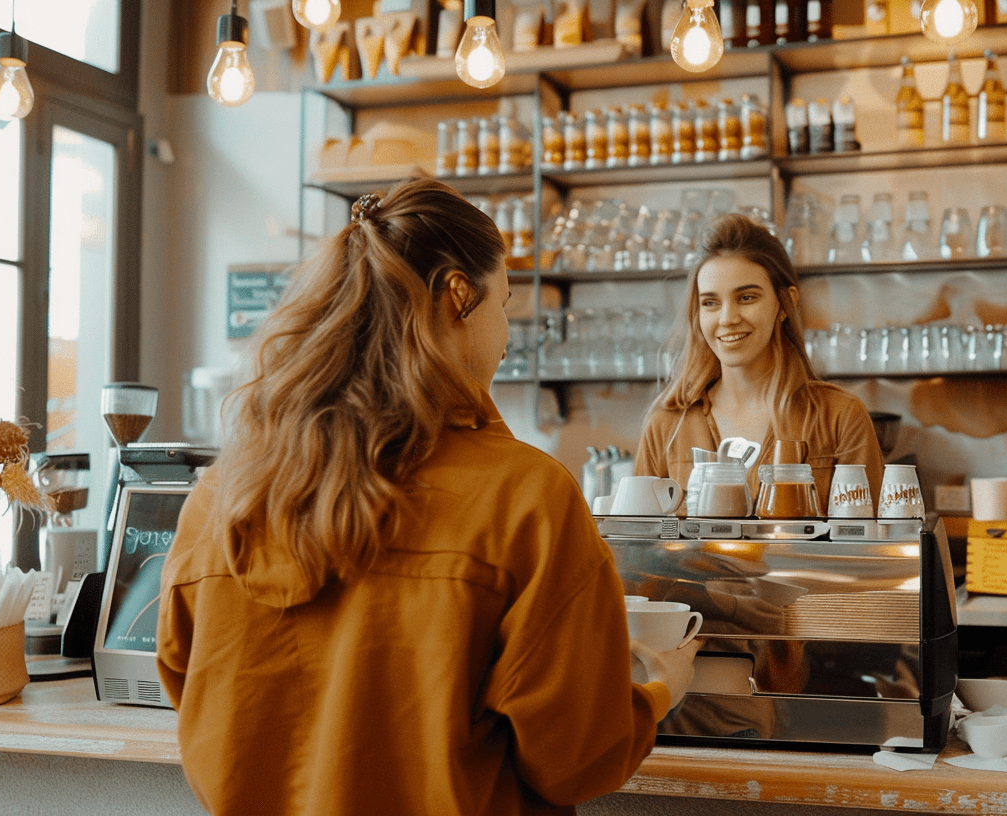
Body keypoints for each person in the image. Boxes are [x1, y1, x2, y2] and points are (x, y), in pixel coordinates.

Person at [156, 178, 695, 816]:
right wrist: (659, 691)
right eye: (504, 302)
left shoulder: (222, 495)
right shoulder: (527, 499)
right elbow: (575, 758)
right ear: (457, 297)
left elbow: (193, 696)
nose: (506, 333)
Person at [636, 212, 885, 511]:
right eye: (710, 303)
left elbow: (868, 548)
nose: (727, 319)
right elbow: (640, 547)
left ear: (786, 304)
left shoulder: (840, 418)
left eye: (746, 298)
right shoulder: (667, 423)